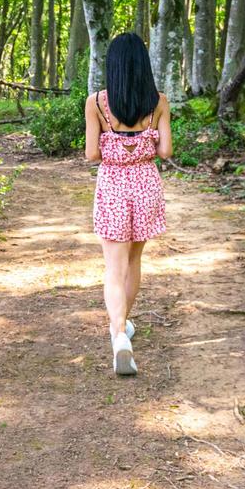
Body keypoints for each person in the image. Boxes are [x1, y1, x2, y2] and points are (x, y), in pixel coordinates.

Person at [84, 32, 172, 375]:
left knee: (113, 267)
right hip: (146, 185)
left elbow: (92, 154)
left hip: (113, 187)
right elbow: (165, 151)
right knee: (134, 261)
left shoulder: (97, 103)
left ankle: (119, 334)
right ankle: (122, 326)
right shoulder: (159, 101)